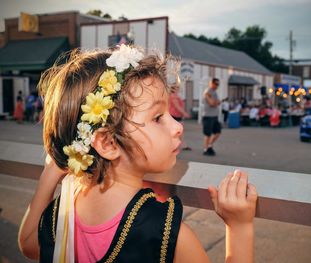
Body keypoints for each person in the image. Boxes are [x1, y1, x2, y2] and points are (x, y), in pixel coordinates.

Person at [18, 46, 258, 263]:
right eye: (157, 118)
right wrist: (239, 227)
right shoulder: (164, 234)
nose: (177, 127)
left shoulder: (62, 216)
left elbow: (28, 244)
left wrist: (51, 172)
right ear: (108, 143)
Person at [202, 78, 221, 156]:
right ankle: (206, 149)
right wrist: (216, 102)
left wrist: (216, 102)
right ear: (211, 83)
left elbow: (218, 102)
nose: (217, 86)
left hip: (214, 116)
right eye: (216, 84)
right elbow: (212, 103)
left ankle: (209, 145)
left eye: (218, 84)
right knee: (208, 134)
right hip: (208, 116)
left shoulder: (214, 92)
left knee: (218, 132)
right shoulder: (208, 92)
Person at [169, 85, 192, 150]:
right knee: (176, 132)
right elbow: (177, 107)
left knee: (179, 131)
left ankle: (183, 145)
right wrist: (185, 113)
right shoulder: (173, 97)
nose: (178, 89)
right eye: (177, 88)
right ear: (173, 89)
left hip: (178, 116)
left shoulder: (175, 96)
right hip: (174, 116)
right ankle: (174, 146)